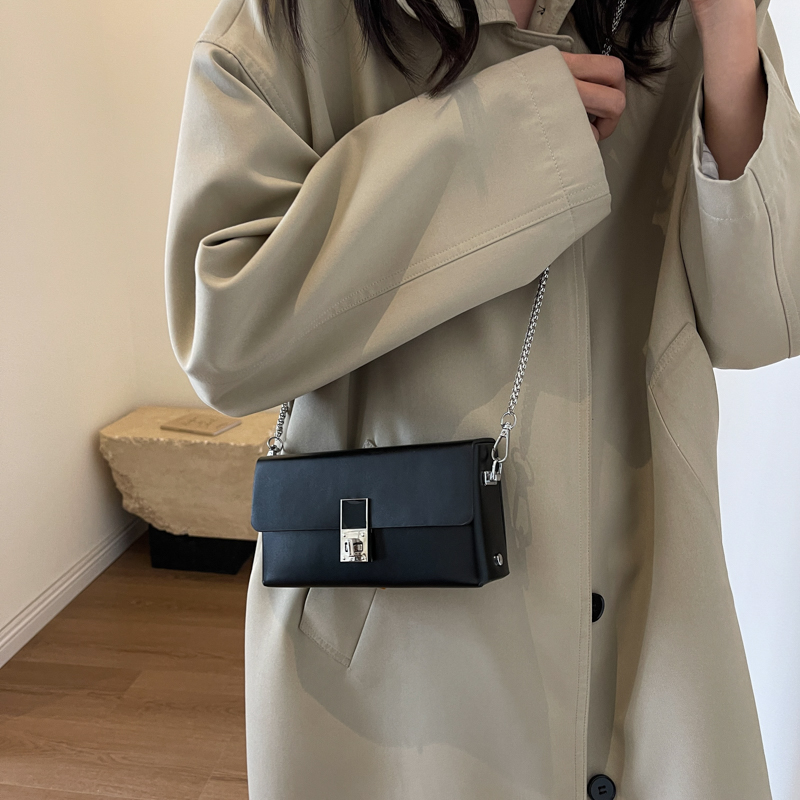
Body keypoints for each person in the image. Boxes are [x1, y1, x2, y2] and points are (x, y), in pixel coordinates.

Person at [165, 1, 800, 798]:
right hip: (391, 668)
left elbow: (768, 321)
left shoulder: (684, 18)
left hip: (652, 627)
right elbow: (225, 337)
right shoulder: (288, 25)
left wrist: (732, 43)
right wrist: (504, 141)